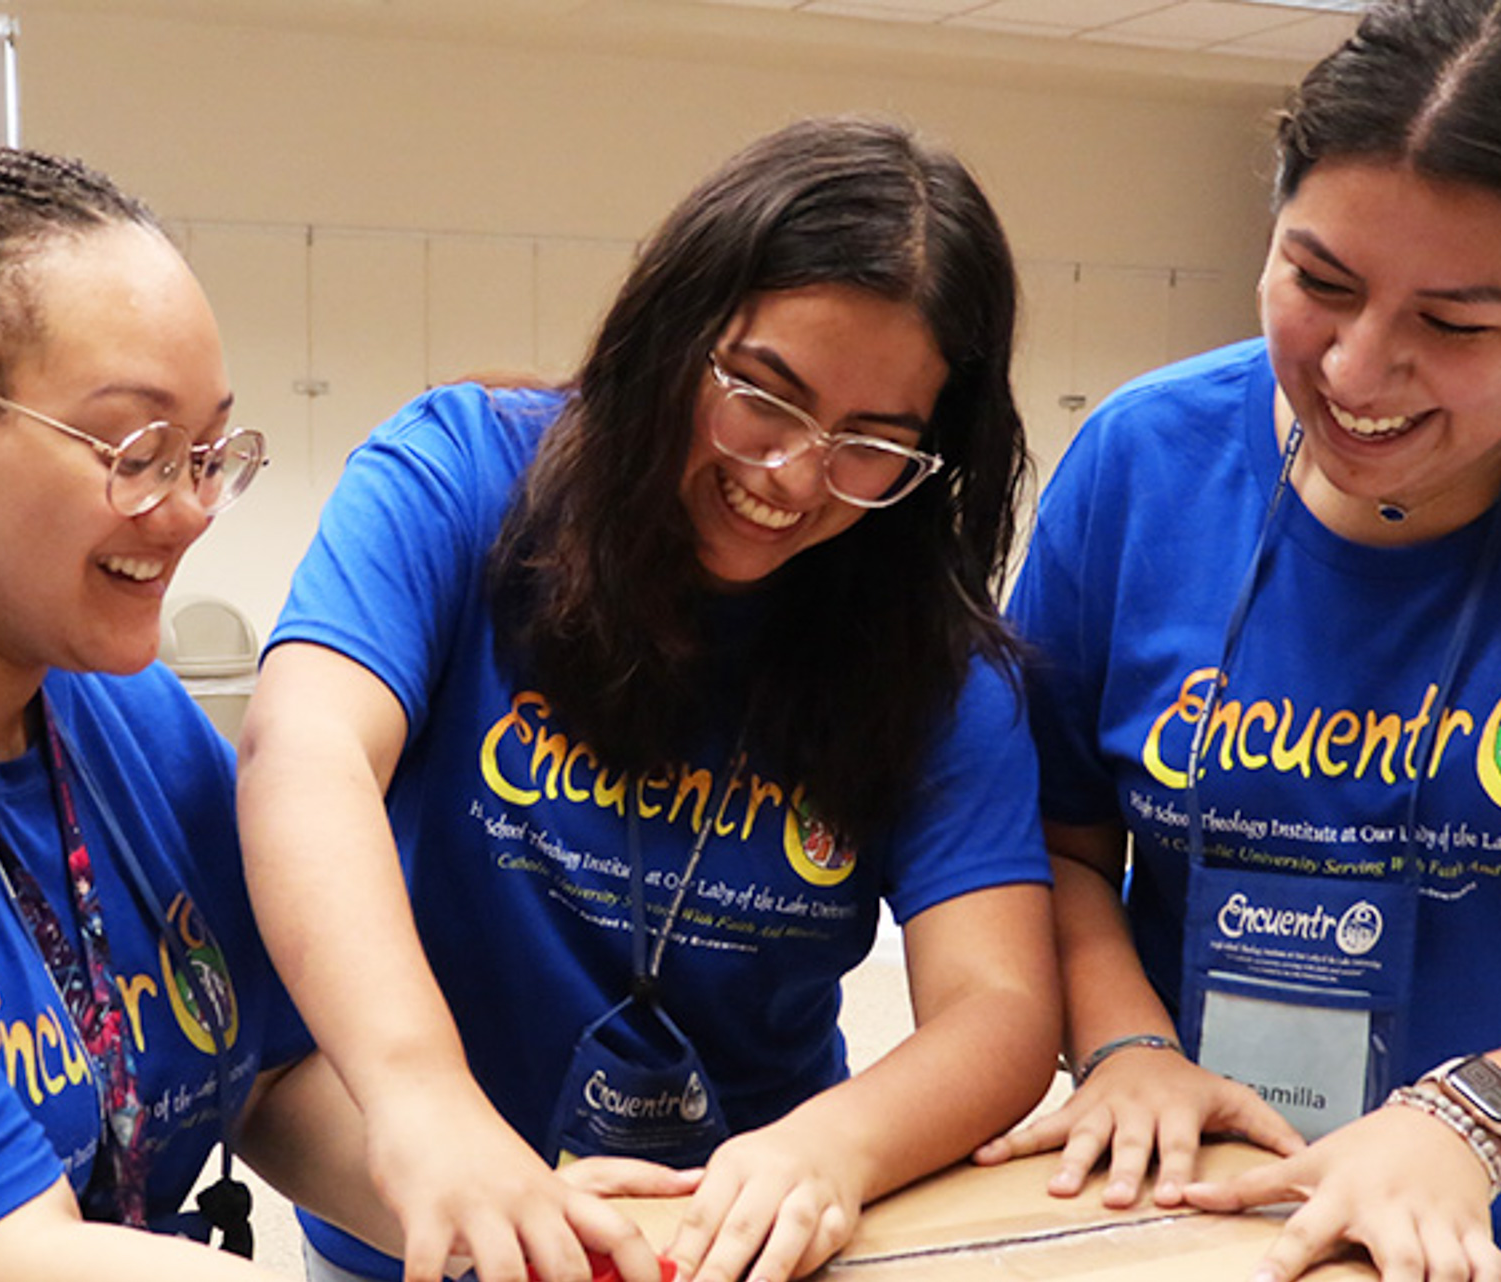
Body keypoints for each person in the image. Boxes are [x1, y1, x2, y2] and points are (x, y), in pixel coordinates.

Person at [0, 146, 665, 1282]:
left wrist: (500, 1221)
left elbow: (275, 1073)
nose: (190, 511)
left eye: (209, 453)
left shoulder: (114, 702)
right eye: (138, 452)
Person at [236, 116, 1061, 1282]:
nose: (789, 476)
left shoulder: (929, 657)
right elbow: (305, 754)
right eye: (762, 396)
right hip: (417, 1223)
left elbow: (1001, 1004)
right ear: (672, 330)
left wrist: (831, 1150)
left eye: (870, 444)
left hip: (731, 1253)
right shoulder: (460, 476)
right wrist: (425, 1098)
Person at [987, 1, 1501, 1278]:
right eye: (1319, 283)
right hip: (1198, 1221)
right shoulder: (1144, 462)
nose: (1359, 371)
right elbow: (1051, 841)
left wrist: (1467, 1123)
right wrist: (1127, 1048)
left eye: (1456, 324)